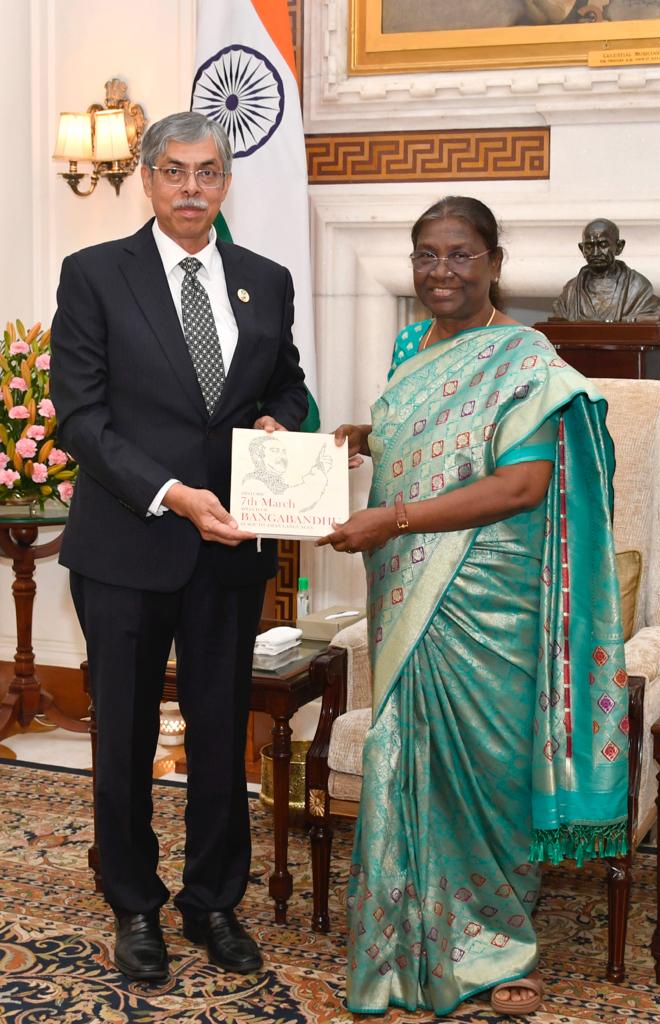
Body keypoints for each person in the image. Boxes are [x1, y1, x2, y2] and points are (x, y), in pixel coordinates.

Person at [317, 196, 628, 1017]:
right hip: (407, 584)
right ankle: (402, 933)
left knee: (486, 771)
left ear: (493, 262)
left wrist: (394, 519)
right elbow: (422, 440)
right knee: (405, 754)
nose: (440, 272)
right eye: (425, 255)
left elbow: (519, 484)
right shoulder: (413, 344)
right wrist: (358, 436)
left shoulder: (525, 355)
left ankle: (495, 949)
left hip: (488, 595)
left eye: (459, 255)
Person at [50, 111, 307, 982]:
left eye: (208, 172)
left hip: (227, 552)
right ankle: (133, 906)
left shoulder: (265, 281)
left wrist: (282, 420)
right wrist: (170, 494)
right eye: (174, 171)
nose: (192, 187)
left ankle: (213, 903)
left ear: (225, 183)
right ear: (148, 179)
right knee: (121, 737)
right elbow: (81, 417)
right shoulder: (93, 275)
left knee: (219, 730)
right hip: (127, 546)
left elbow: (289, 386)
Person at [552, 218, 660, 321]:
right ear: (582, 249)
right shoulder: (570, 291)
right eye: (589, 246)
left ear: (619, 247)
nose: (595, 253)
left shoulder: (638, 287)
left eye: (603, 245)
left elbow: (652, 317)